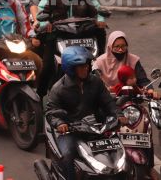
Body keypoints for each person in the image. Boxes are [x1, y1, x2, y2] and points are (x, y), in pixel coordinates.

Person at [46, 46, 124, 180]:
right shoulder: (58, 89)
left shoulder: (96, 82)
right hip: (72, 131)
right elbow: (51, 111)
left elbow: (108, 102)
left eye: (87, 65)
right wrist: (61, 123)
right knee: (67, 154)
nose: (86, 68)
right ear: (70, 68)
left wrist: (119, 115)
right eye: (81, 66)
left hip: (97, 127)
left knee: (119, 150)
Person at [36, 0, 107, 97]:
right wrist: (46, 22)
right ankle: (39, 96)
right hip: (58, 35)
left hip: (82, 35)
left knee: (100, 35)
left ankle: (101, 59)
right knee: (47, 67)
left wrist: (100, 21)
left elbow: (97, 9)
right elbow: (42, 11)